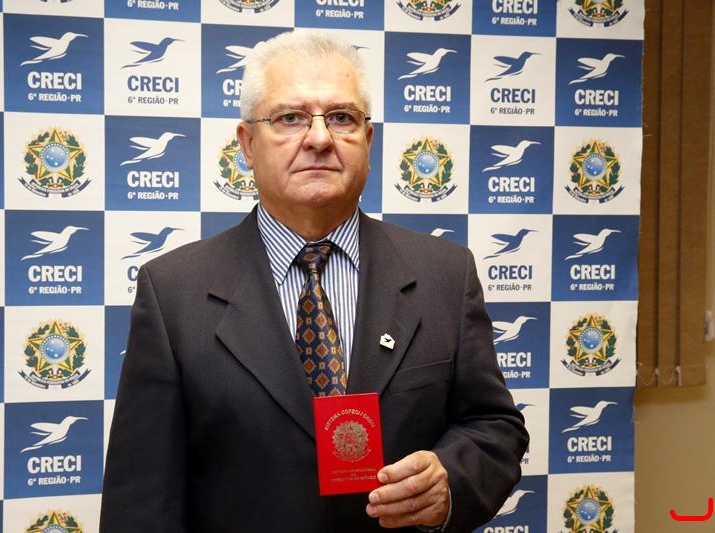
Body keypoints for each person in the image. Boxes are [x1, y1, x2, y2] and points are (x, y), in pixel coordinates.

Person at [101, 31, 528, 532]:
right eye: (290, 117)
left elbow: (494, 426)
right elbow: (142, 494)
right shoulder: (173, 291)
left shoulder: (446, 274)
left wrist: (450, 482)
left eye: (342, 117)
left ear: (368, 141)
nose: (320, 139)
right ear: (247, 144)